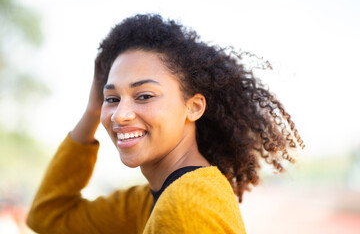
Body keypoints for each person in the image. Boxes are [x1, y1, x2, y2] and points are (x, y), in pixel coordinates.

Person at [26, 14, 304, 234]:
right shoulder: (149, 200)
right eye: (111, 98)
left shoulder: (187, 207)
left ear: (193, 107)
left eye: (144, 96)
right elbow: (48, 216)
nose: (120, 115)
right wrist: (91, 110)